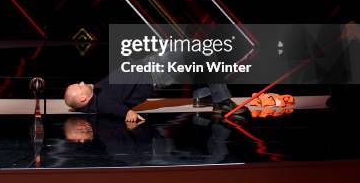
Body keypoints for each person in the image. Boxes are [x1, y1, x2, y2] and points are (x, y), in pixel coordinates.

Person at [64, 72, 249, 122]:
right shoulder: (102, 102)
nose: (81, 82)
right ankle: (223, 101)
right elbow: (115, 109)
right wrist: (128, 113)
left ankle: (203, 95)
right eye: (79, 87)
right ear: (82, 100)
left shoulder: (96, 95)